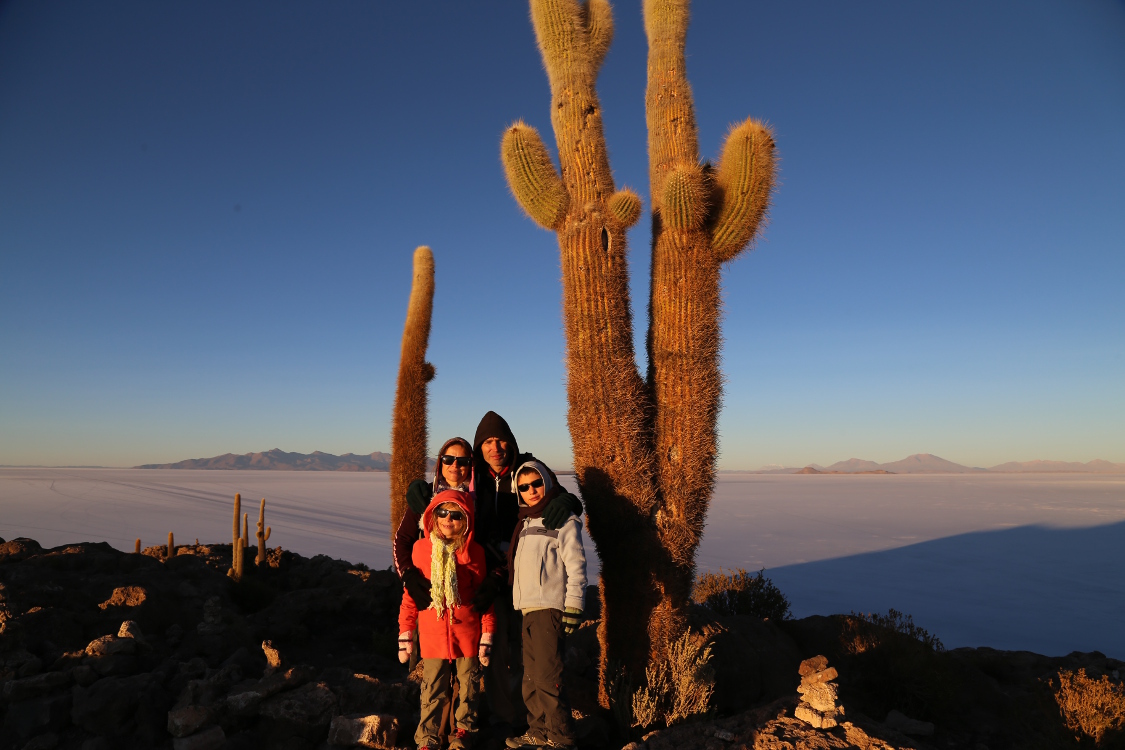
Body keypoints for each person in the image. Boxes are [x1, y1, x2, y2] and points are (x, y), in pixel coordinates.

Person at [401, 412, 582, 734]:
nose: (495, 447)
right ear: (478, 449)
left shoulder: (526, 468)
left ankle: (536, 724)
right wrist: (420, 493)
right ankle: (499, 718)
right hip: (482, 578)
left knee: (529, 650)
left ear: (510, 442)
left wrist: (569, 500)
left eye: (500, 440)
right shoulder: (475, 478)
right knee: (494, 649)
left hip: (523, 576)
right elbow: (445, 500)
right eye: (486, 442)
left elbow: (552, 491)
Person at [398, 490, 494, 750]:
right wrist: (405, 632)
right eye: (441, 512)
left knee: (470, 685)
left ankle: (464, 731)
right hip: (432, 637)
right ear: (432, 516)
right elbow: (410, 597)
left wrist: (487, 633)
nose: (447, 519)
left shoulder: (473, 552)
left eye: (455, 515)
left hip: (468, 634)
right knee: (431, 688)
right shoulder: (421, 550)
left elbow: (485, 599)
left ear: (466, 520)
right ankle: (427, 738)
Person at [504, 460, 586, 750]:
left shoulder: (562, 520)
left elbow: (576, 565)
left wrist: (574, 604)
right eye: (523, 486)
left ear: (548, 483)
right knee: (531, 678)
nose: (531, 490)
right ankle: (538, 731)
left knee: (549, 677)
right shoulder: (525, 523)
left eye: (536, 483)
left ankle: (563, 737)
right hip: (527, 609)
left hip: (549, 608)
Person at [395, 436, 475, 611]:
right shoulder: (424, 496)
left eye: (462, 461)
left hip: (468, 598)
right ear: (440, 463)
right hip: (427, 591)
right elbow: (402, 539)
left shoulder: (478, 500)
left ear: (471, 465)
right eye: (448, 460)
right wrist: (408, 576)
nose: (455, 465)